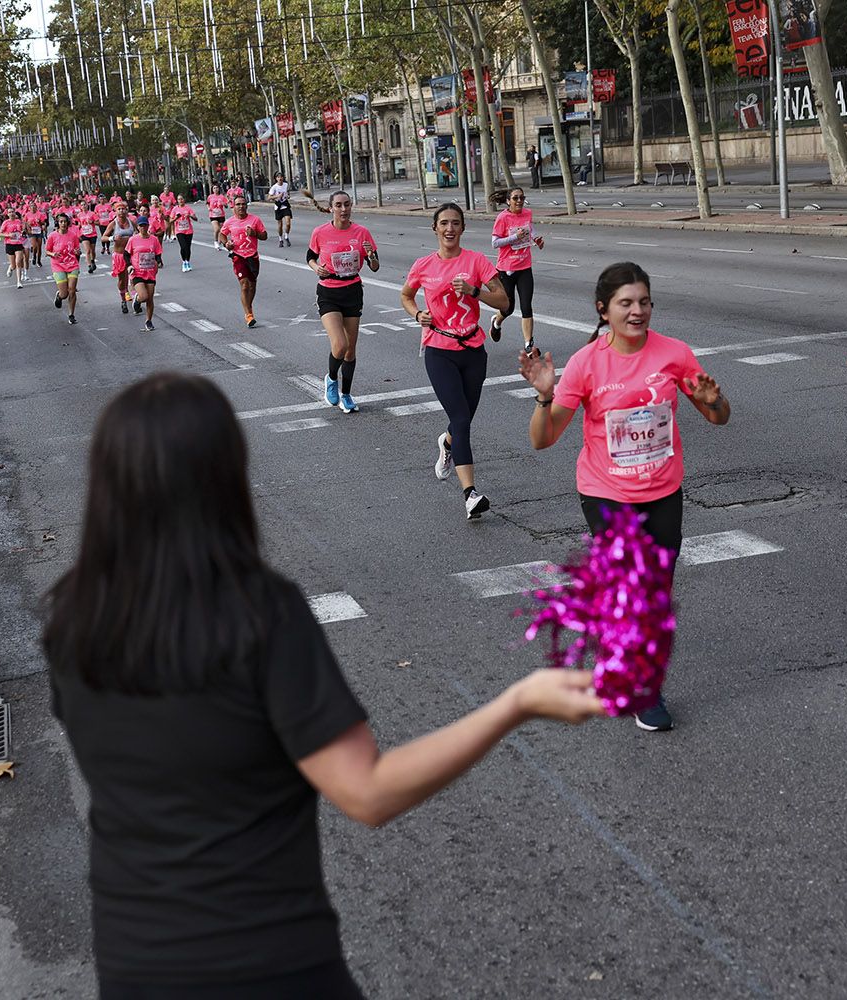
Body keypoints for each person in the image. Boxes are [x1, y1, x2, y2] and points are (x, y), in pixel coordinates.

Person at [43, 372, 609, 998]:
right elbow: (367, 792)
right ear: (223, 479)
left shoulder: (72, 620)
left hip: (135, 965)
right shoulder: (257, 613)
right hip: (271, 963)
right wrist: (516, 703)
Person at [517, 261, 729, 732]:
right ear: (604, 310)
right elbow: (544, 439)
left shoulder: (674, 354)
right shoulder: (588, 363)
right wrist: (544, 396)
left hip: (663, 490)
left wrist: (714, 401)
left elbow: (719, 418)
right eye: (626, 303)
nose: (638, 311)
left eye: (644, 302)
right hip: (606, 491)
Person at [398, 203, 510, 519]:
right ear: (435, 228)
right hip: (439, 350)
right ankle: (470, 494)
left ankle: (447, 444)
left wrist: (475, 291)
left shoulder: (476, 261)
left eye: (456, 223)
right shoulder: (423, 265)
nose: (450, 229)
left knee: (462, 422)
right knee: (461, 420)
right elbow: (406, 295)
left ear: (462, 228)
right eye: (444, 223)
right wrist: (417, 313)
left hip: (473, 350)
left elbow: (504, 301)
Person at [307, 191, 379, 413]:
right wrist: (316, 267)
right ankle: (331, 378)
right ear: (331, 208)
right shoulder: (320, 232)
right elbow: (309, 256)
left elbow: (375, 266)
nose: (343, 209)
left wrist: (371, 256)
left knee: (350, 350)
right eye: (338, 205)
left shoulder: (362, 233)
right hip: (328, 291)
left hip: (352, 290)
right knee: (340, 344)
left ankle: (346, 394)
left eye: (347, 204)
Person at [489, 188, 544, 353]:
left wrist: (536, 239)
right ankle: (496, 323)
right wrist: (514, 238)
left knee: (526, 306)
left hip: (525, 266)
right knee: (508, 307)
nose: (519, 201)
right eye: (515, 198)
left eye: (522, 197)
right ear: (508, 201)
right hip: (506, 269)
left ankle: (529, 345)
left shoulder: (527, 213)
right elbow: (495, 243)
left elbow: (530, 228)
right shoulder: (502, 218)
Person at [219, 194, 268, 328]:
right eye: (238, 204)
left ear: (246, 205)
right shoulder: (229, 222)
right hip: (238, 256)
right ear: (233, 207)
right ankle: (248, 314)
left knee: (252, 286)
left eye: (243, 204)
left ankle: (248, 306)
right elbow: (221, 234)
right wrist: (226, 243)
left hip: (252, 256)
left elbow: (265, 236)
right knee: (244, 285)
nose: (241, 206)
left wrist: (254, 234)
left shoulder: (255, 220)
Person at [126, 215, 164, 332]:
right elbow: (126, 254)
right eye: (140, 226)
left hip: (150, 271)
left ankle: (148, 320)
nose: (143, 228)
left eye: (144, 225)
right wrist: (129, 265)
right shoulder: (133, 240)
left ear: (148, 226)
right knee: (144, 296)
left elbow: (157, 253)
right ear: (137, 227)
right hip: (137, 272)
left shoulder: (154, 239)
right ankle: (137, 300)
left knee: (150, 298)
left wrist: (158, 262)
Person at [47, 212, 85, 325]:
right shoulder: (52, 236)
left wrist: (78, 252)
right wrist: (53, 254)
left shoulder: (73, 236)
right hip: (58, 265)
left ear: (68, 223)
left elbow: (77, 250)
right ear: (58, 223)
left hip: (72, 264)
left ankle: (71, 315)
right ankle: (59, 296)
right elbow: (47, 251)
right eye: (61, 222)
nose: (63, 224)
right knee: (65, 294)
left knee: (72, 290)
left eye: (65, 221)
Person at [104, 203, 137, 314]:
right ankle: (123, 299)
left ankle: (135, 299)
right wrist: (112, 238)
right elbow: (103, 238)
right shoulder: (113, 224)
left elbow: (139, 231)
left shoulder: (131, 222)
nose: (121, 211)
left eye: (123, 209)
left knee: (134, 276)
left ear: (126, 210)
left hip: (131, 254)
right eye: (119, 209)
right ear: (115, 211)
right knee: (122, 279)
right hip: (119, 255)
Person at [169, 192, 197, 272]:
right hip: (179, 231)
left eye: (181, 199)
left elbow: (195, 218)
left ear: (184, 200)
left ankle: (187, 262)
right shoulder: (175, 209)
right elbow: (170, 221)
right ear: (177, 201)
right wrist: (176, 218)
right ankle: (183, 262)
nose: (180, 200)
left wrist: (190, 216)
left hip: (188, 230)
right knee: (183, 246)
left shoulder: (188, 208)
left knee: (188, 248)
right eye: (179, 199)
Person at [0, 211, 27, 287]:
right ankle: (11, 267)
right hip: (9, 244)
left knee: (18, 262)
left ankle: (19, 282)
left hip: (18, 244)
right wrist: (8, 235)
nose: (11, 213)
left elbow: (22, 230)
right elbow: (0, 234)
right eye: (10, 212)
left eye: (13, 212)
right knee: (14, 265)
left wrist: (23, 232)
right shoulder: (5, 222)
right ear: (8, 214)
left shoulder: (19, 221)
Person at [269, 172, 294, 247]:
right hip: (278, 206)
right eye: (278, 177)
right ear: (276, 178)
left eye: (281, 177)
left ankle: (286, 236)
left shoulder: (286, 185)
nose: (280, 178)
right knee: (280, 225)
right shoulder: (274, 187)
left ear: (283, 178)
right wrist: (277, 196)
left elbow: (288, 192)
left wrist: (288, 196)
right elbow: (269, 197)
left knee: (288, 223)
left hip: (285, 205)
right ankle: (280, 239)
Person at [76, 202, 101, 274]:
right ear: (80, 207)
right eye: (82, 205)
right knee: (87, 251)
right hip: (84, 234)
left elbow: (98, 223)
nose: (83, 206)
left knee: (92, 251)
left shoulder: (92, 214)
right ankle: (89, 266)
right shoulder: (79, 215)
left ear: (87, 206)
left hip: (92, 234)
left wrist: (92, 222)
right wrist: (78, 233)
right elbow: (79, 225)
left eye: (85, 205)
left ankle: (92, 261)